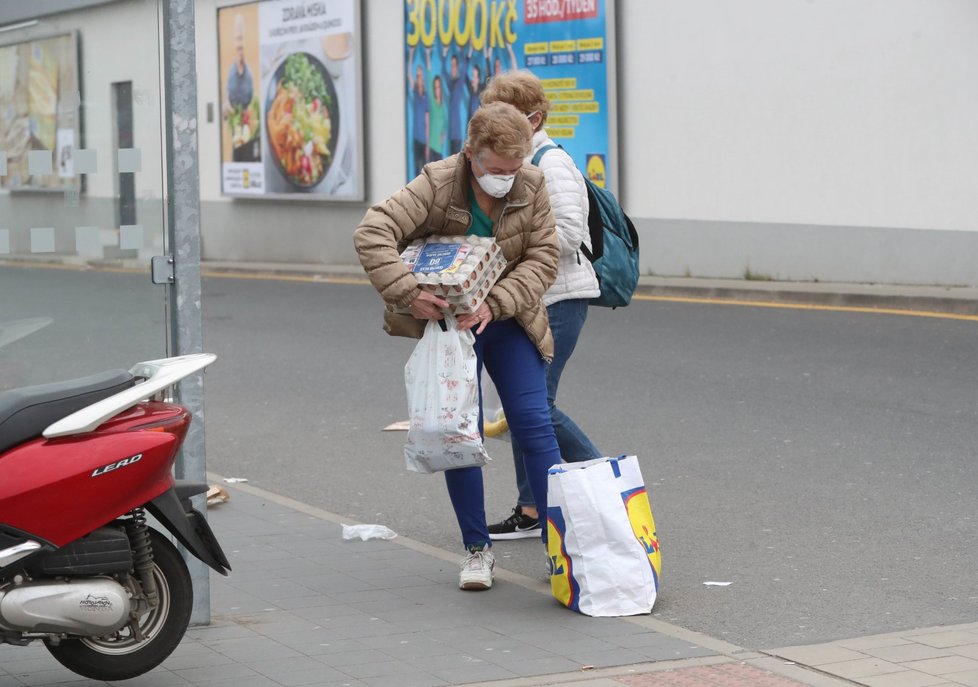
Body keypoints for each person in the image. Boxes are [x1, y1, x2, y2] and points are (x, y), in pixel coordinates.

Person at [353, 102, 562, 591]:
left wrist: (500, 302)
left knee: (534, 424)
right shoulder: (438, 182)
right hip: (452, 327)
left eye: (515, 169)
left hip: (510, 320)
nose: (506, 179)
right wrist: (408, 291)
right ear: (471, 154)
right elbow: (373, 232)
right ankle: (477, 551)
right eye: (496, 170)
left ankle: (561, 546)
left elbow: (544, 255)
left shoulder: (531, 185)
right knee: (457, 431)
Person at [479, 70, 602, 540]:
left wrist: (509, 241)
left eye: (506, 117)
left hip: (559, 300)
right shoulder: (517, 163)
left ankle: (605, 482)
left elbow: (571, 233)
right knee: (521, 402)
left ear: (534, 118)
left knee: (534, 407)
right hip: (529, 301)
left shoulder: (551, 165)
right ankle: (531, 510)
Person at [222, 14, 254, 119]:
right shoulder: (229, 73)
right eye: (237, 38)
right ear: (234, 41)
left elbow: (254, 105)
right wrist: (226, 109)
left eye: (241, 38)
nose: (239, 44)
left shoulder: (250, 74)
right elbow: (223, 115)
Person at [407, 46, 429, 176]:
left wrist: (427, 144)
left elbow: (427, 121)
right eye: (418, 76)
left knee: (424, 171)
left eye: (420, 76)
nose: (418, 78)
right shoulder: (415, 93)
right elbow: (409, 74)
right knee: (416, 169)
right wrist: (411, 55)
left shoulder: (426, 97)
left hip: (423, 139)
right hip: (416, 137)